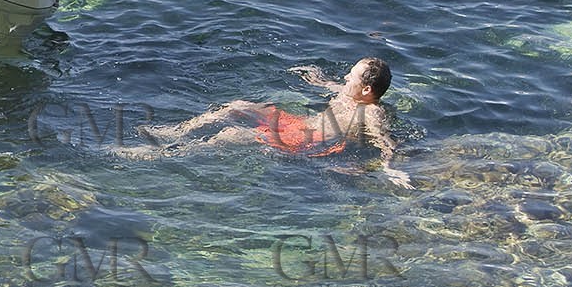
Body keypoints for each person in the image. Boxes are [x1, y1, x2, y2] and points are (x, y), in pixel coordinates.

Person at [134, 58, 413, 188]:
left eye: (351, 76)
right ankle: (176, 133)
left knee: (232, 134)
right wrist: (316, 79)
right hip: (299, 123)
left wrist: (390, 169)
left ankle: (162, 154)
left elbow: (385, 141)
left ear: (367, 90)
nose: (344, 79)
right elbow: (334, 88)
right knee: (238, 107)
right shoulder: (348, 95)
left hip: (307, 141)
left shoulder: (373, 113)